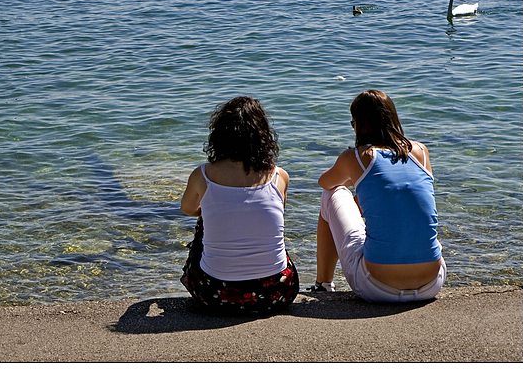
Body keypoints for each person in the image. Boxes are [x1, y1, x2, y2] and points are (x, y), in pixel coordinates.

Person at [311, 89, 446, 303]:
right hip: (432, 283)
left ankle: (323, 284)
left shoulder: (355, 157)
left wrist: (355, 181)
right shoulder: (420, 152)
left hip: (377, 287)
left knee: (333, 194)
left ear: (358, 124)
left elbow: (325, 182)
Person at [180, 95, 299, 314]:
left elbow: (187, 208)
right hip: (277, 292)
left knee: (205, 219)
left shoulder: (203, 175)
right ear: (263, 136)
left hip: (215, 294)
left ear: (219, 136)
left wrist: (211, 214)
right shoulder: (279, 176)